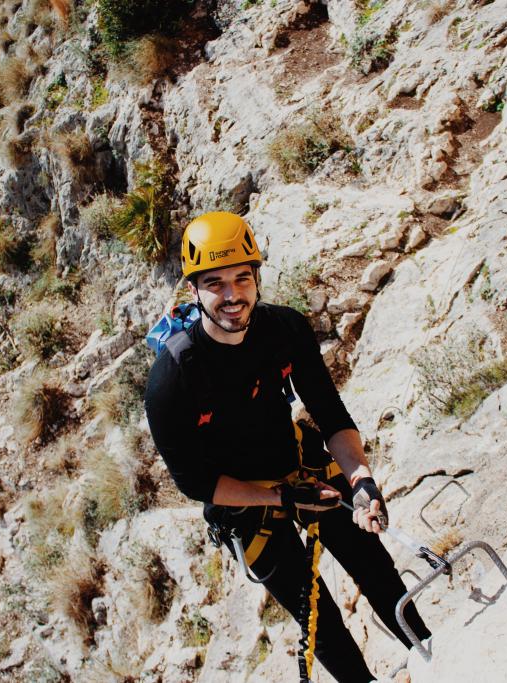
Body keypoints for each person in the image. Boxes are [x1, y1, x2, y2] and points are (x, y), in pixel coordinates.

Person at [144, 211, 431, 682]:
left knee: (372, 564)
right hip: (246, 505)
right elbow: (196, 482)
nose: (233, 295)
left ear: (257, 278)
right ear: (193, 291)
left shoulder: (285, 330)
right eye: (215, 284)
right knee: (317, 616)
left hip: (299, 462)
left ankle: (434, 651)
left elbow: (331, 414)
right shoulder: (172, 380)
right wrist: (278, 497)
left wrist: (362, 481)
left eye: (242, 278)